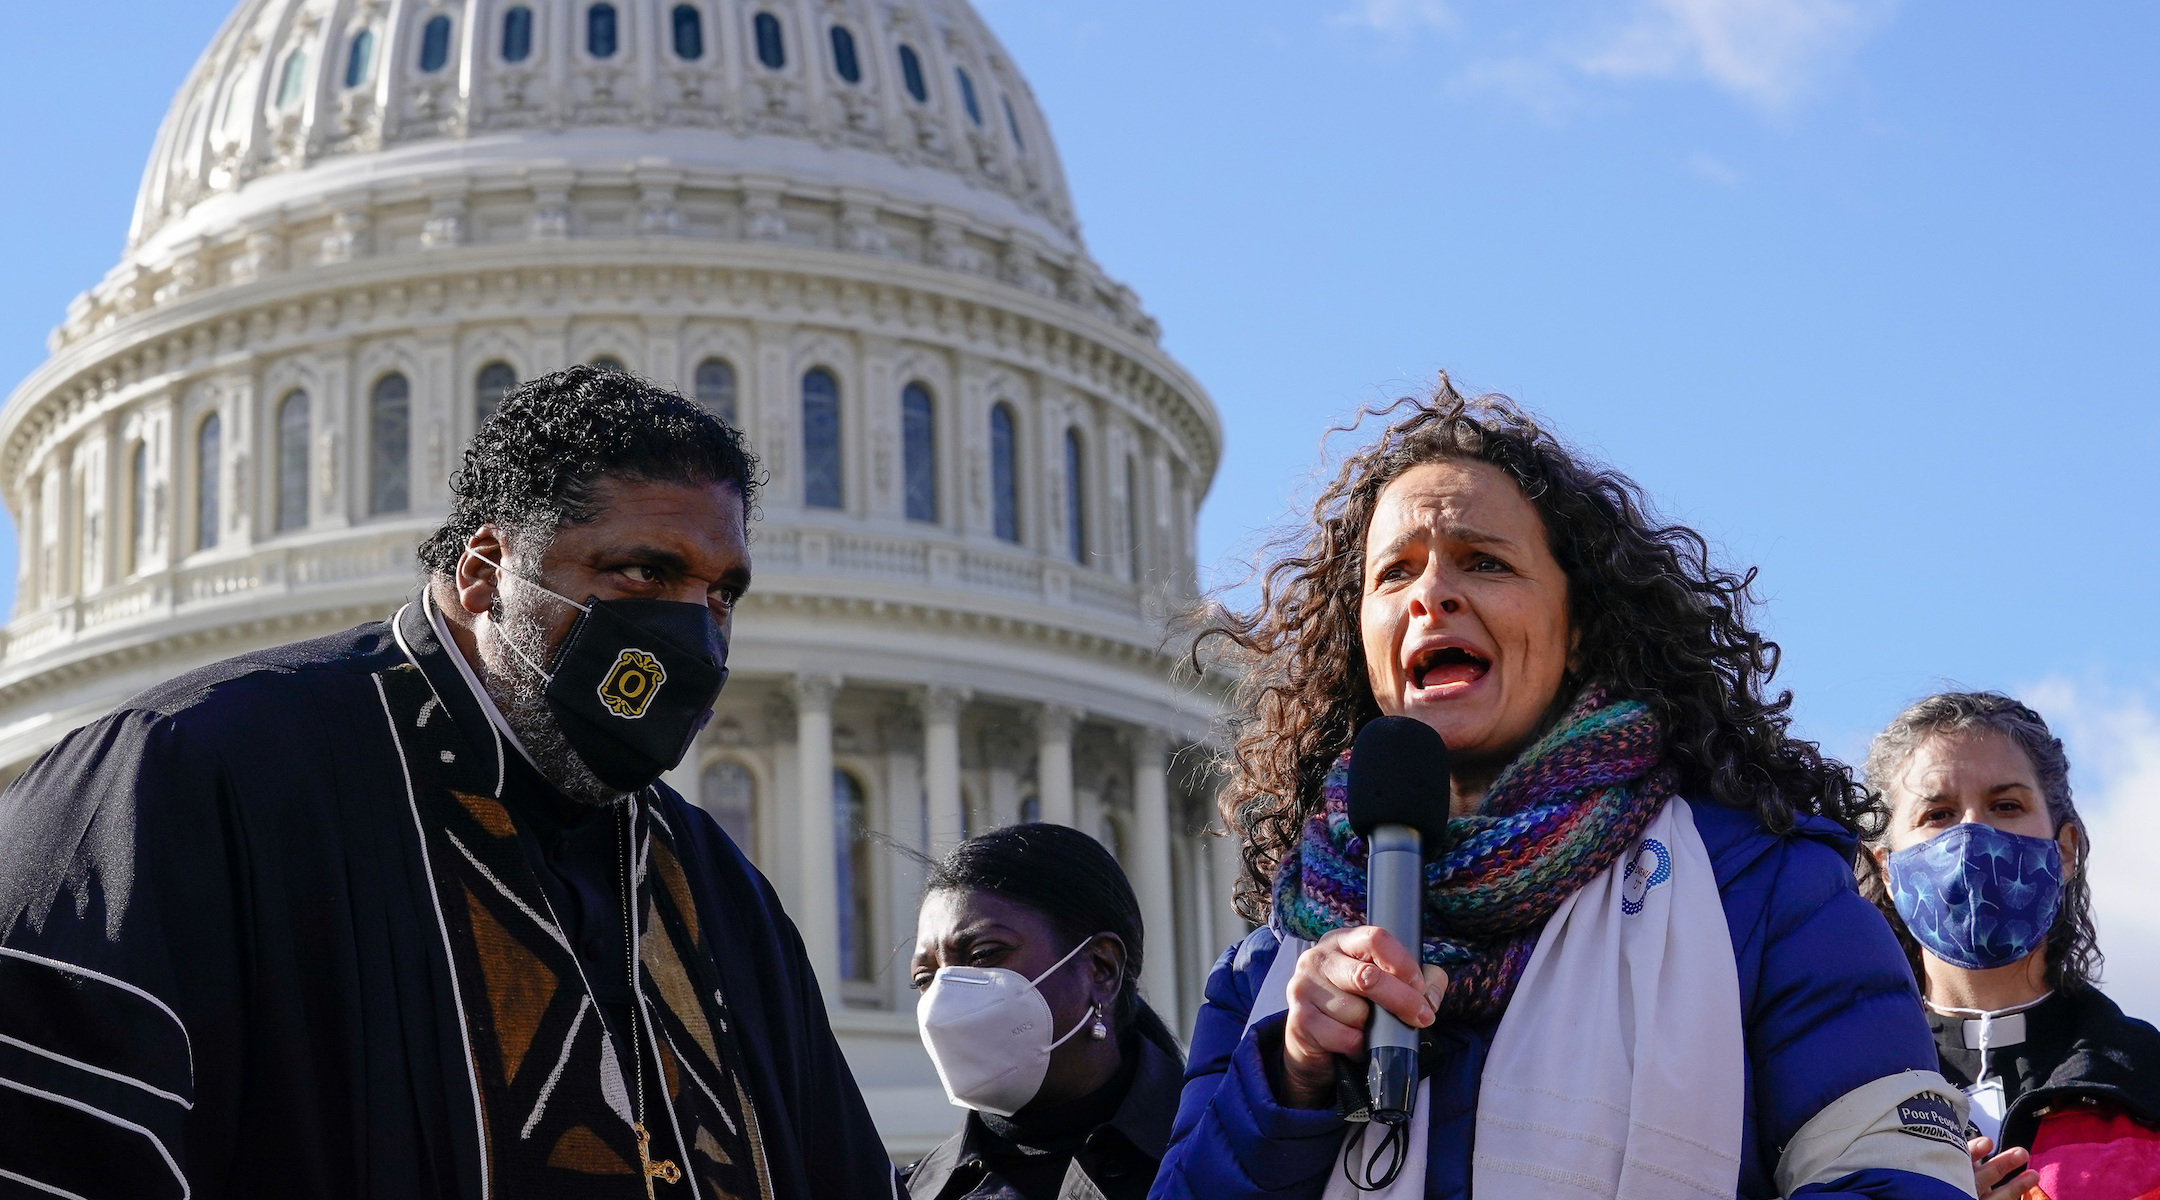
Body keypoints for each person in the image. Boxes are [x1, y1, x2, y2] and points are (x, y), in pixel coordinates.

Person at [0, 366, 899, 1200]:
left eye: (721, 593)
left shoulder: (719, 895)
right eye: (644, 571)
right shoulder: (198, 778)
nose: (693, 630)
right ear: (482, 576)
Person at [1152, 383, 1978, 1200]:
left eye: (1484, 561)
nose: (1431, 594)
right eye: (1393, 574)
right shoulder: (1267, 971)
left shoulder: (1764, 892)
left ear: (1578, 631)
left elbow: (1897, 1180)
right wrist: (1290, 1081)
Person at [1859, 692, 2160, 1200]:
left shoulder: (2146, 1079)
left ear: (2064, 850)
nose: (1973, 835)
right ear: (1887, 869)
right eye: (1938, 814)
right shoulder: (1845, 1088)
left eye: (2006, 806)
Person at [905, 823, 1186, 1200]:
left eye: (983, 956)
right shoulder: (907, 1190)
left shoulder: (1232, 1155)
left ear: (1101, 969)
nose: (942, 1000)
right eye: (925, 977)